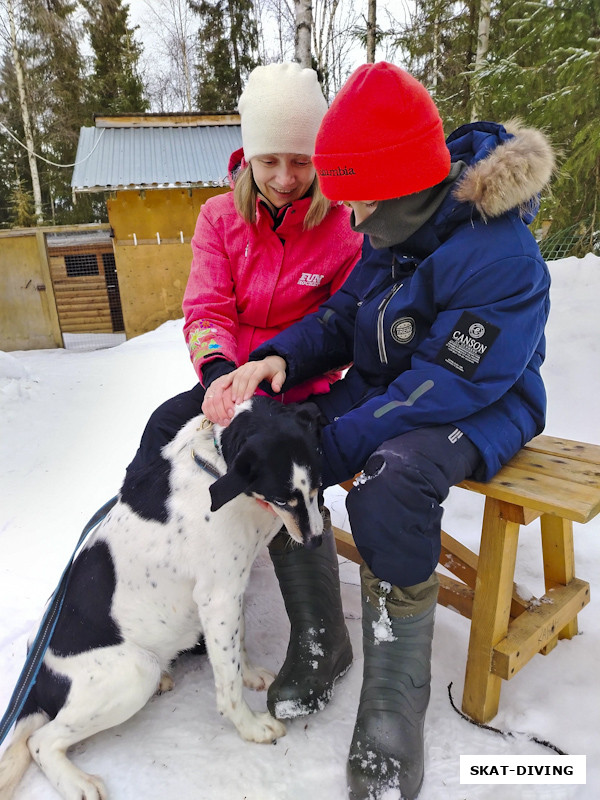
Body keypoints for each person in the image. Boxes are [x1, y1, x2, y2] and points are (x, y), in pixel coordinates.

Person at [203, 62, 555, 799]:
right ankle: (324, 641)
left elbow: (446, 383)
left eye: (356, 196)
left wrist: (332, 445)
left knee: (388, 479)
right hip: (397, 388)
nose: (348, 214)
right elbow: (341, 320)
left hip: (481, 402)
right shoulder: (398, 227)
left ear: (398, 184)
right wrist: (274, 361)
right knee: (275, 442)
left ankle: (396, 702)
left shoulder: (500, 258)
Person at [122, 63, 362, 718]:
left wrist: (278, 370)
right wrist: (219, 376)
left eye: (300, 160)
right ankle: (168, 592)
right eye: (270, 160)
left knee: (283, 463)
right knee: (159, 433)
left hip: (301, 386)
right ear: (248, 157)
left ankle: (321, 634)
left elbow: (338, 326)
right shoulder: (217, 218)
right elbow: (205, 309)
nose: (285, 178)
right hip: (229, 376)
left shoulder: (343, 229)